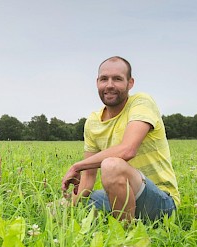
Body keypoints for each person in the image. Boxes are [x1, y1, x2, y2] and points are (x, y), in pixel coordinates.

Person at [61, 56, 179, 221]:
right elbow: (88, 177)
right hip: (120, 197)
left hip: (160, 201)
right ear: (97, 83)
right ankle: (66, 212)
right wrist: (67, 209)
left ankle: (125, 237)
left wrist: (77, 166)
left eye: (117, 79)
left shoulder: (141, 102)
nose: (109, 85)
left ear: (130, 83)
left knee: (111, 165)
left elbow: (128, 149)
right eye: (104, 79)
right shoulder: (93, 122)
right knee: (68, 205)